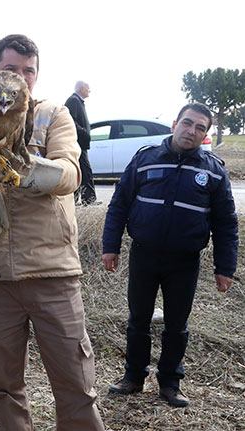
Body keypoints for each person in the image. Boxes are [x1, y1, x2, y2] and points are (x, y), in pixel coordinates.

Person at [0, 35, 105, 430]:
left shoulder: (52, 114)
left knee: (75, 383)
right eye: (11, 69)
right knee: (3, 387)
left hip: (51, 272)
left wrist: (25, 169)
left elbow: (71, 173)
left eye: (28, 71)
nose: (20, 77)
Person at [102, 102, 238, 407]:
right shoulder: (145, 159)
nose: (191, 131)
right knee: (138, 319)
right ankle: (133, 377)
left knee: (177, 324)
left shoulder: (213, 171)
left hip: (184, 261)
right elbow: (119, 204)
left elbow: (226, 222)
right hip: (144, 255)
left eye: (200, 127)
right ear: (175, 123)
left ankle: (170, 383)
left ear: (206, 133)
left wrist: (225, 267)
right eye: (187, 123)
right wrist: (110, 246)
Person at [65, 80, 99, 205]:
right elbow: (70, 120)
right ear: (81, 89)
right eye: (87, 88)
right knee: (85, 171)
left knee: (79, 171)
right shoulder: (73, 100)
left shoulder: (78, 101)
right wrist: (83, 131)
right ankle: (88, 200)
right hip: (77, 143)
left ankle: (75, 200)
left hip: (80, 143)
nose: (90, 90)